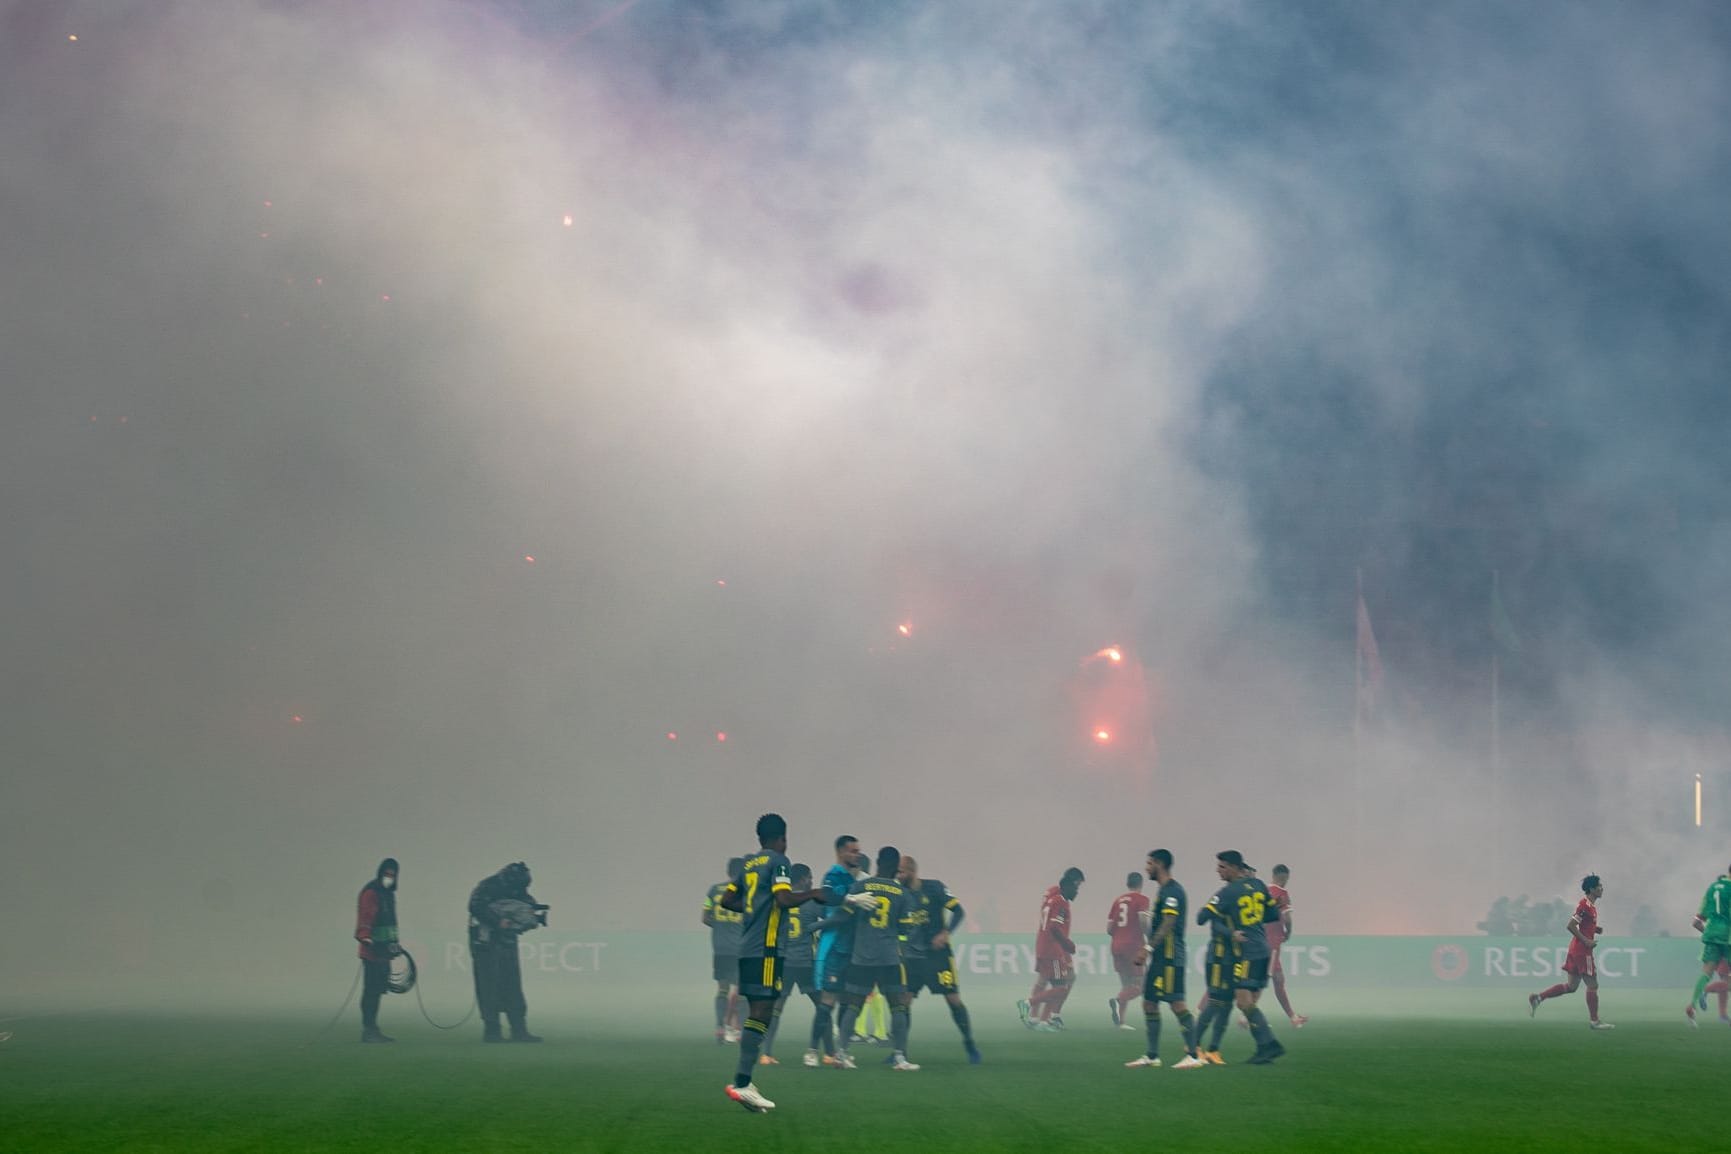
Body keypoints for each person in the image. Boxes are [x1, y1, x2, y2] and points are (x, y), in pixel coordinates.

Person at [719, 813, 837, 1112]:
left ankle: (744, 1082)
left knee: (761, 1011)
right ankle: (743, 1083)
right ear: (782, 838)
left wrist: (753, 907)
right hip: (768, 948)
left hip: (747, 947)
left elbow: (727, 901)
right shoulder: (779, 862)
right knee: (763, 1011)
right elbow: (784, 899)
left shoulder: (748, 864)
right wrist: (813, 894)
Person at [834, 846, 917, 1070]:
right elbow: (908, 929)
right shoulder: (902, 894)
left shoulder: (861, 886)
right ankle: (900, 1057)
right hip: (889, 957)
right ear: (896, 867)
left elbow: (844, 916)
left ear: (878, 863)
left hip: (861, 957)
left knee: (854, 1005)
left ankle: (841, 1053)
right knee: (898, 1006)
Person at [1125, 848, 1203, 1070]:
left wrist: (1147, 948)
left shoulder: (1173, 891)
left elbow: (1168, 922)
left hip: (1170, 958)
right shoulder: (1163, 891)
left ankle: (1194, 1056)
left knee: (1177, 1005)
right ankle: (1152, 1056)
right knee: (1149, 1003)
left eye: (1149, 863)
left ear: (1159, 864)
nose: (1146, 868)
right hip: (1160, 959)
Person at [899, 854, 981, 1063]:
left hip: (938, 957)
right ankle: (900, 1053)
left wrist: (946, 933)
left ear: (912, 871)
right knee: (904, 1001)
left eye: (901, 872)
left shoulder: (934, 888)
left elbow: (958, 911)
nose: (898, 876)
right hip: (912, 958)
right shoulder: (899, 894)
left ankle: (969, 1043)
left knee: (953, 999)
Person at [1218, 851, 1286, 1063]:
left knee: (1244, 1000)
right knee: (1245, 1001)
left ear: (1235, 868)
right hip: (1263, 948)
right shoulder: (1259, 887)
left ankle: (1269, 1045)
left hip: (1249, 951)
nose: (1219, 870)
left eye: (1222, 867)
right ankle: (1266, 1046)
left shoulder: (1232, 891)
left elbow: (1205, 916)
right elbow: (1274, 915)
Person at [468, 861, 545, 1043]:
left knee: (512, 984)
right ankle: (492, 1031)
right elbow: (474, 906)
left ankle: (519, 1030)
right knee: (489, 985)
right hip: (485, 943)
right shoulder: (488, 886)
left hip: (506, 939)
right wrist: (497, 921)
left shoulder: (514, 886)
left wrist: (533, 912)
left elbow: (526, 901)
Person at [808, 835, 865, 1065]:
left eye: (858, 851)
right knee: (827, 1001)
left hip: (853, 949)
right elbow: (828, 897)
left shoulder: (857, 879)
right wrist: (850, 899)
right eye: (853, 851)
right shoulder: (833, 875)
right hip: (834, 948)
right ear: (841, 852)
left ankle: (841, 1051)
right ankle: (812, 1051)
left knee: (847, 1000)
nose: (857, 854)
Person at [1528, 874, 1613, 1029]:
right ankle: (1594, 1021)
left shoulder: (1590, 906)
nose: (1602, 888)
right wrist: (1586, 940)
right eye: (1599, 886)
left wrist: (1595, 929)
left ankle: (1538, 998)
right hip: (1582, 951)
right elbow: (1571, 925)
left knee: (1571, 987)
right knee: (1592, 985)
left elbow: (1582, 924)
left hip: (1575, 950)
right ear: (1592, 889)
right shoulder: (1585, 905)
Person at [760, 863, 821, 1065]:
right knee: (824, 1006)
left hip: (784, 962)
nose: (812, 881)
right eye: (810, 877)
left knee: (776, 1008)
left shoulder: (779, 901)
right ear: (803, 879)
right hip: (805, 962)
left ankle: (766, 1053)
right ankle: (829, 1053)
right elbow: (829, 919)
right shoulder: (811, 902)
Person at [1021, 867, 1084, 1030]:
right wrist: (1067, 944)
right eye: (1077, 886)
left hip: (1045, 943)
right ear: (1070, 883)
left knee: (1046, 980)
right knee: (1061, 983)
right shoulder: (1060, 900)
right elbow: (1054, 926)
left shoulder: (1051, 894)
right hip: (1055, 946)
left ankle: (1038, 1018)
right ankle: (1044, 1016)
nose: (1078, 890)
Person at [1191, 860, 1239, 1063]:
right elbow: (1203, 918)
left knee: (1228, 1004)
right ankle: (1192, 1045)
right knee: (1216, 1001)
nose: (1218, 870)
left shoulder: (1244, 898)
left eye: (1222, 867)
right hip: (1219, 956)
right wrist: (1231, 933)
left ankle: (1213, 1050)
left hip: (1234, 957)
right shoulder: (1223, 895)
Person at [354, 857, 401, 1044]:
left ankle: (373, 1028)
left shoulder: (388, 894)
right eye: (387, 874)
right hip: (372, 952)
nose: (390, 877)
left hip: (384, 953)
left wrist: (394, 943)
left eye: (393, 874)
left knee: (377, 991)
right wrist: (365, 937)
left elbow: (390, 923)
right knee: (371, 991)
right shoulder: (371, 892)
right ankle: (369, 1029)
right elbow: (366, 917)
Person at [703, 857, 746, 1044]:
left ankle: (720, 1027)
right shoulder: (746, 892)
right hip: (740, 948)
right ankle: (741, 1030)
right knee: (742, 991)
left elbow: (705, 918)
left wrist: (721, 926)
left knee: (722, 989)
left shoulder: (714, 890)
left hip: (720, 948)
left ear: (728, 872)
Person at [1685, 865, 1731, 1027]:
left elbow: (1697, 922)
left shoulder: (1712, 888)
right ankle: (1708, 992)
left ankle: (1692, 1005)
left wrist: (1709, 934)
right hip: (1728, 936)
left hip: (1711, 935)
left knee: (1706, 973)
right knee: (1727, 981)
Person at [1106, 870, 1150, 1029]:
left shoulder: (1117, 901)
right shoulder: (1142, 899)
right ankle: (1117, 1001)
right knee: (1140, 985)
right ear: (1141, 884)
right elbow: (1143, 920)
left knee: (1126, 985)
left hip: (1116, 945)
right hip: (1133, 946)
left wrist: (1120, 934)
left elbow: (1109, 928)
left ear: (1127, 883)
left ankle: (1121, 1022)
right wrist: (1148, 936)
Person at [1266, 864, 1307, 1028]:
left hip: (1260, 940)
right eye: (1287, 879)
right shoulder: (1282, 894)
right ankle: (1246, 1016)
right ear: (1283, 877)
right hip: (1273, 942)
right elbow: (1287, 918)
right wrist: (1288, 932)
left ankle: (1293, 1016)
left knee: (1278, 979)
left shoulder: (1262, 890)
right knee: (1266, 979)